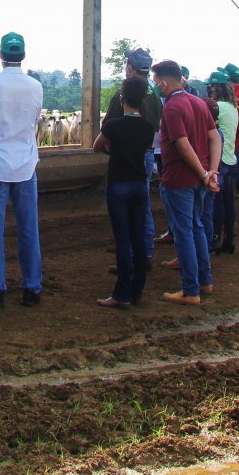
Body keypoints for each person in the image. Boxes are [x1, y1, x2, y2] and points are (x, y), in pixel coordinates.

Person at [0, 32, 45, 308]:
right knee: (29, 228)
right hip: (26, 165)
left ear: (1, 55)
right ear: (23, 55)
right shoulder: (35, 86)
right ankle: (32, 288)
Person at [151, 59, 221, 306]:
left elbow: (182, 145)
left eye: (155, 81)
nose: (155, 85)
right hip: (198, 179)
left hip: (179, 179)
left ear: (162, 82)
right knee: (196, 227)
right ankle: (205, 281)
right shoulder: (198, 103)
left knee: (183, 233)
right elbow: (215, 138)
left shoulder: (171, 107)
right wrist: (212, 171)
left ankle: (190, 290)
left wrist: (204, 173)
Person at [92, 75, 153, 308]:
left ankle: (121, 293)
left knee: (122, 240)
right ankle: (137, 290)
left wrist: (112, 150)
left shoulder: (113, 126)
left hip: (118, 184)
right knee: (138, 238)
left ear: (121, 98)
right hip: (139, 184)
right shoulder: (147, 128)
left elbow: (98, 146)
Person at [102, 47, 161, 256]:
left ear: (130, 67)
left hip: (124, 157)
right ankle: (146, 251)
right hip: (147, 152)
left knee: (122, 208)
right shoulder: (155, 94)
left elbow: (107, 127)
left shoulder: (124, 93)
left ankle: (128, 255)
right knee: (142, 205)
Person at [206, 72, 238, 255]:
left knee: (216, 204)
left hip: (219, 159)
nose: (209, 89)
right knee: (227, 203)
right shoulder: (232, 106)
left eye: (211, 87)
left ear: (216, 87)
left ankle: (215, 239)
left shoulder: (219, 106)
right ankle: (229, 238)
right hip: (230, 157)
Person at [221, 63, 239, 197]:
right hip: (235, 135)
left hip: (234, 135)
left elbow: (236, 122)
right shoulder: (237, 94)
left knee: (234, 164)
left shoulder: (236, 96)